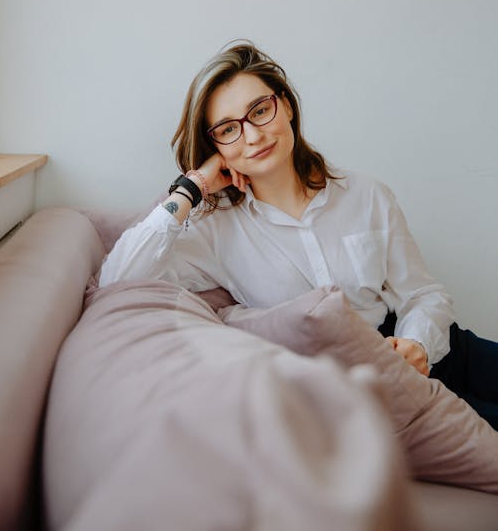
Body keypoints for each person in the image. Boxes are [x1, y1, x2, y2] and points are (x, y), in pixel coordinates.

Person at [99, 40, 498, 429]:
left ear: (285, 105)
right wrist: (191, 188)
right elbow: (117, 281)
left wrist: (418, 344)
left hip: (433, 347)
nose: (252, 136)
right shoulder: (213, 232)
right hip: (366, 390)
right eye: (227, 130)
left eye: (259, 111)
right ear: (213, 145)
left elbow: (423, 293)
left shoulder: (366, 194)